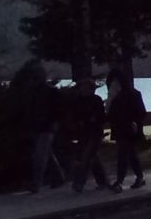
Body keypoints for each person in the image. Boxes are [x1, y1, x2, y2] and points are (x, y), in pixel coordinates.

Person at [18, 62, 68, 194]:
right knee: (46, 154)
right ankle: (58, 177)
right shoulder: (33, 92)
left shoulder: (49, 92)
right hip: (38, 127)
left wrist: (55, 123)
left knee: (40, 156)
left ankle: (37, 183)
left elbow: (58, 109)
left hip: (47, 127)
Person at [66, 79, 119, 193]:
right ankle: (102, 181)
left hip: (94, 132)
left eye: (86, 88)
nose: (84, 90)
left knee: (86, 157)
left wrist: (93, 120)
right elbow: (74, 116)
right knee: (92, 157)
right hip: (83, 132)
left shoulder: (96, 100)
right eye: (82, 88)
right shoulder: (78, 101)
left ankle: (79, 182)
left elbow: (101, 116)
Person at [109, 77, 148, 189]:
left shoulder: (132, 94)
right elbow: (111, 114)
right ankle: (139, 177)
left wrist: (134, 122)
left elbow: (141, 112)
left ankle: (120, 181)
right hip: (121, 128)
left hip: (129, 128)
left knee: (123, 154)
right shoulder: (116, 96)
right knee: (130, 154)